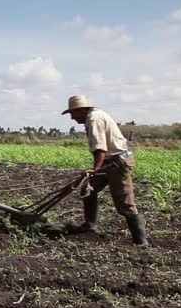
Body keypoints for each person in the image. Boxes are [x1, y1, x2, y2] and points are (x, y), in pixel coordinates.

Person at [61, 94, 148, 246]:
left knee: (125, 202)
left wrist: (96, 169)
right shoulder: (93, 117)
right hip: (110, 161)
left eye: (73, 113)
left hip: (118, 163)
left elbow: (100, 148)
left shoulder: (94, 119)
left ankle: (140, 241)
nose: (72, 118)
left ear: (81, 110)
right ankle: (90, 225)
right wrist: (97, 170)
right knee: (88, 189)